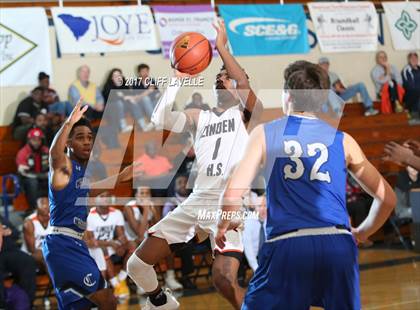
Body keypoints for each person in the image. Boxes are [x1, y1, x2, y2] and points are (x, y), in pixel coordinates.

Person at [216, 60, 397, 309]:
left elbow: (232, 194)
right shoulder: (344, 140)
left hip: (289, 244)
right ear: (322, 100)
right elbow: (387, 199)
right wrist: (362, 233)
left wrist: (223, 225)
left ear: (287, 96)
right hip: (338, 243)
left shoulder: (265, 133)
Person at [126, 20, 263, 310]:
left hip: (230, 204)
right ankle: (162, 303)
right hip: (198, 200)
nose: (221, 78)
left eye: (226, 77)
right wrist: (176, 78)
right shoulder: (199, 116)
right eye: (218, 76)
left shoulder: (244, 112)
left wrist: (221, 48)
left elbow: (243, 83)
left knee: (224, 281)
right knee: (136, 265)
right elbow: (159, 119)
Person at [41, 99, 137, 309]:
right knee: (107, 301)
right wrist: (68, 123)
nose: (86, 142)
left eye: (89, 138)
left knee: (80, 306)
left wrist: (122, 176)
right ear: (68, 143)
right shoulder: (64, 168)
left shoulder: (82, 175)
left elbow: (94, 189)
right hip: (62, 243)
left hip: (73, 244)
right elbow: (54, 155)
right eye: (80, 138)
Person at [86, 200, 130, 299]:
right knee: (102, 250)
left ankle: (122, 277)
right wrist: (111, 243)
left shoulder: (116, 213)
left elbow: (121, 235)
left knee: (132, 246)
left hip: (112, 243)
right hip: (98, 247)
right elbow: (92, 242)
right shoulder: (90, 215)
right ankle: (117, 285)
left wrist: (122, 244)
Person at [0, 215, 37, 308]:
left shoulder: (2, 219)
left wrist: (8, 231)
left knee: (28, 261)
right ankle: (2, 304)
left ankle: (27, 303)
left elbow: (16, 233)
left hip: (10, 251)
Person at [16, 128, 49, 211]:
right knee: (32, 183)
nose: (37, 142)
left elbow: (53, 166)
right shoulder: (23, 152)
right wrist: (38, 176)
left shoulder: (46, 151)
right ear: (29, 140)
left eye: (39, 140)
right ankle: (34, 208)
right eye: (34, 140)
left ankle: (53, 207)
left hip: (44, 176)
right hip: (28, 179)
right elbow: (22, 171)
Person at [124, 63, 159, 131]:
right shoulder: (135, 83)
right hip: (141, 102)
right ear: (139, 73)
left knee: (156, 100)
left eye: (147, 71)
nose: (145, 73)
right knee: (145, 99)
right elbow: (136, 96)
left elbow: (156, 94)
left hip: (152, 102)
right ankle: (154, 122)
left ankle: (155, 123)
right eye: (143, 71)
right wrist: (148, 92)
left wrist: (147, 93)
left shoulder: (152, 81)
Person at [21, 196, 50, 268]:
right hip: (30, 254)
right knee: (46, 256)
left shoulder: (55, 219)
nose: (46, 206)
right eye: (42, 204)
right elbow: (31, 249)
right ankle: (55, 279)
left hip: (48, 251)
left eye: (48, 203)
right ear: (36, 207)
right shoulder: (29, 222)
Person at [401, 51, 420, 124]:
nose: (414, 59)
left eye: (415, 58)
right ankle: (414, 116)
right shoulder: (406, 70)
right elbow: (409, 86)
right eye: (412, 58)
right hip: (410, 94)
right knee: (416, 92)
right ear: (408, 60)